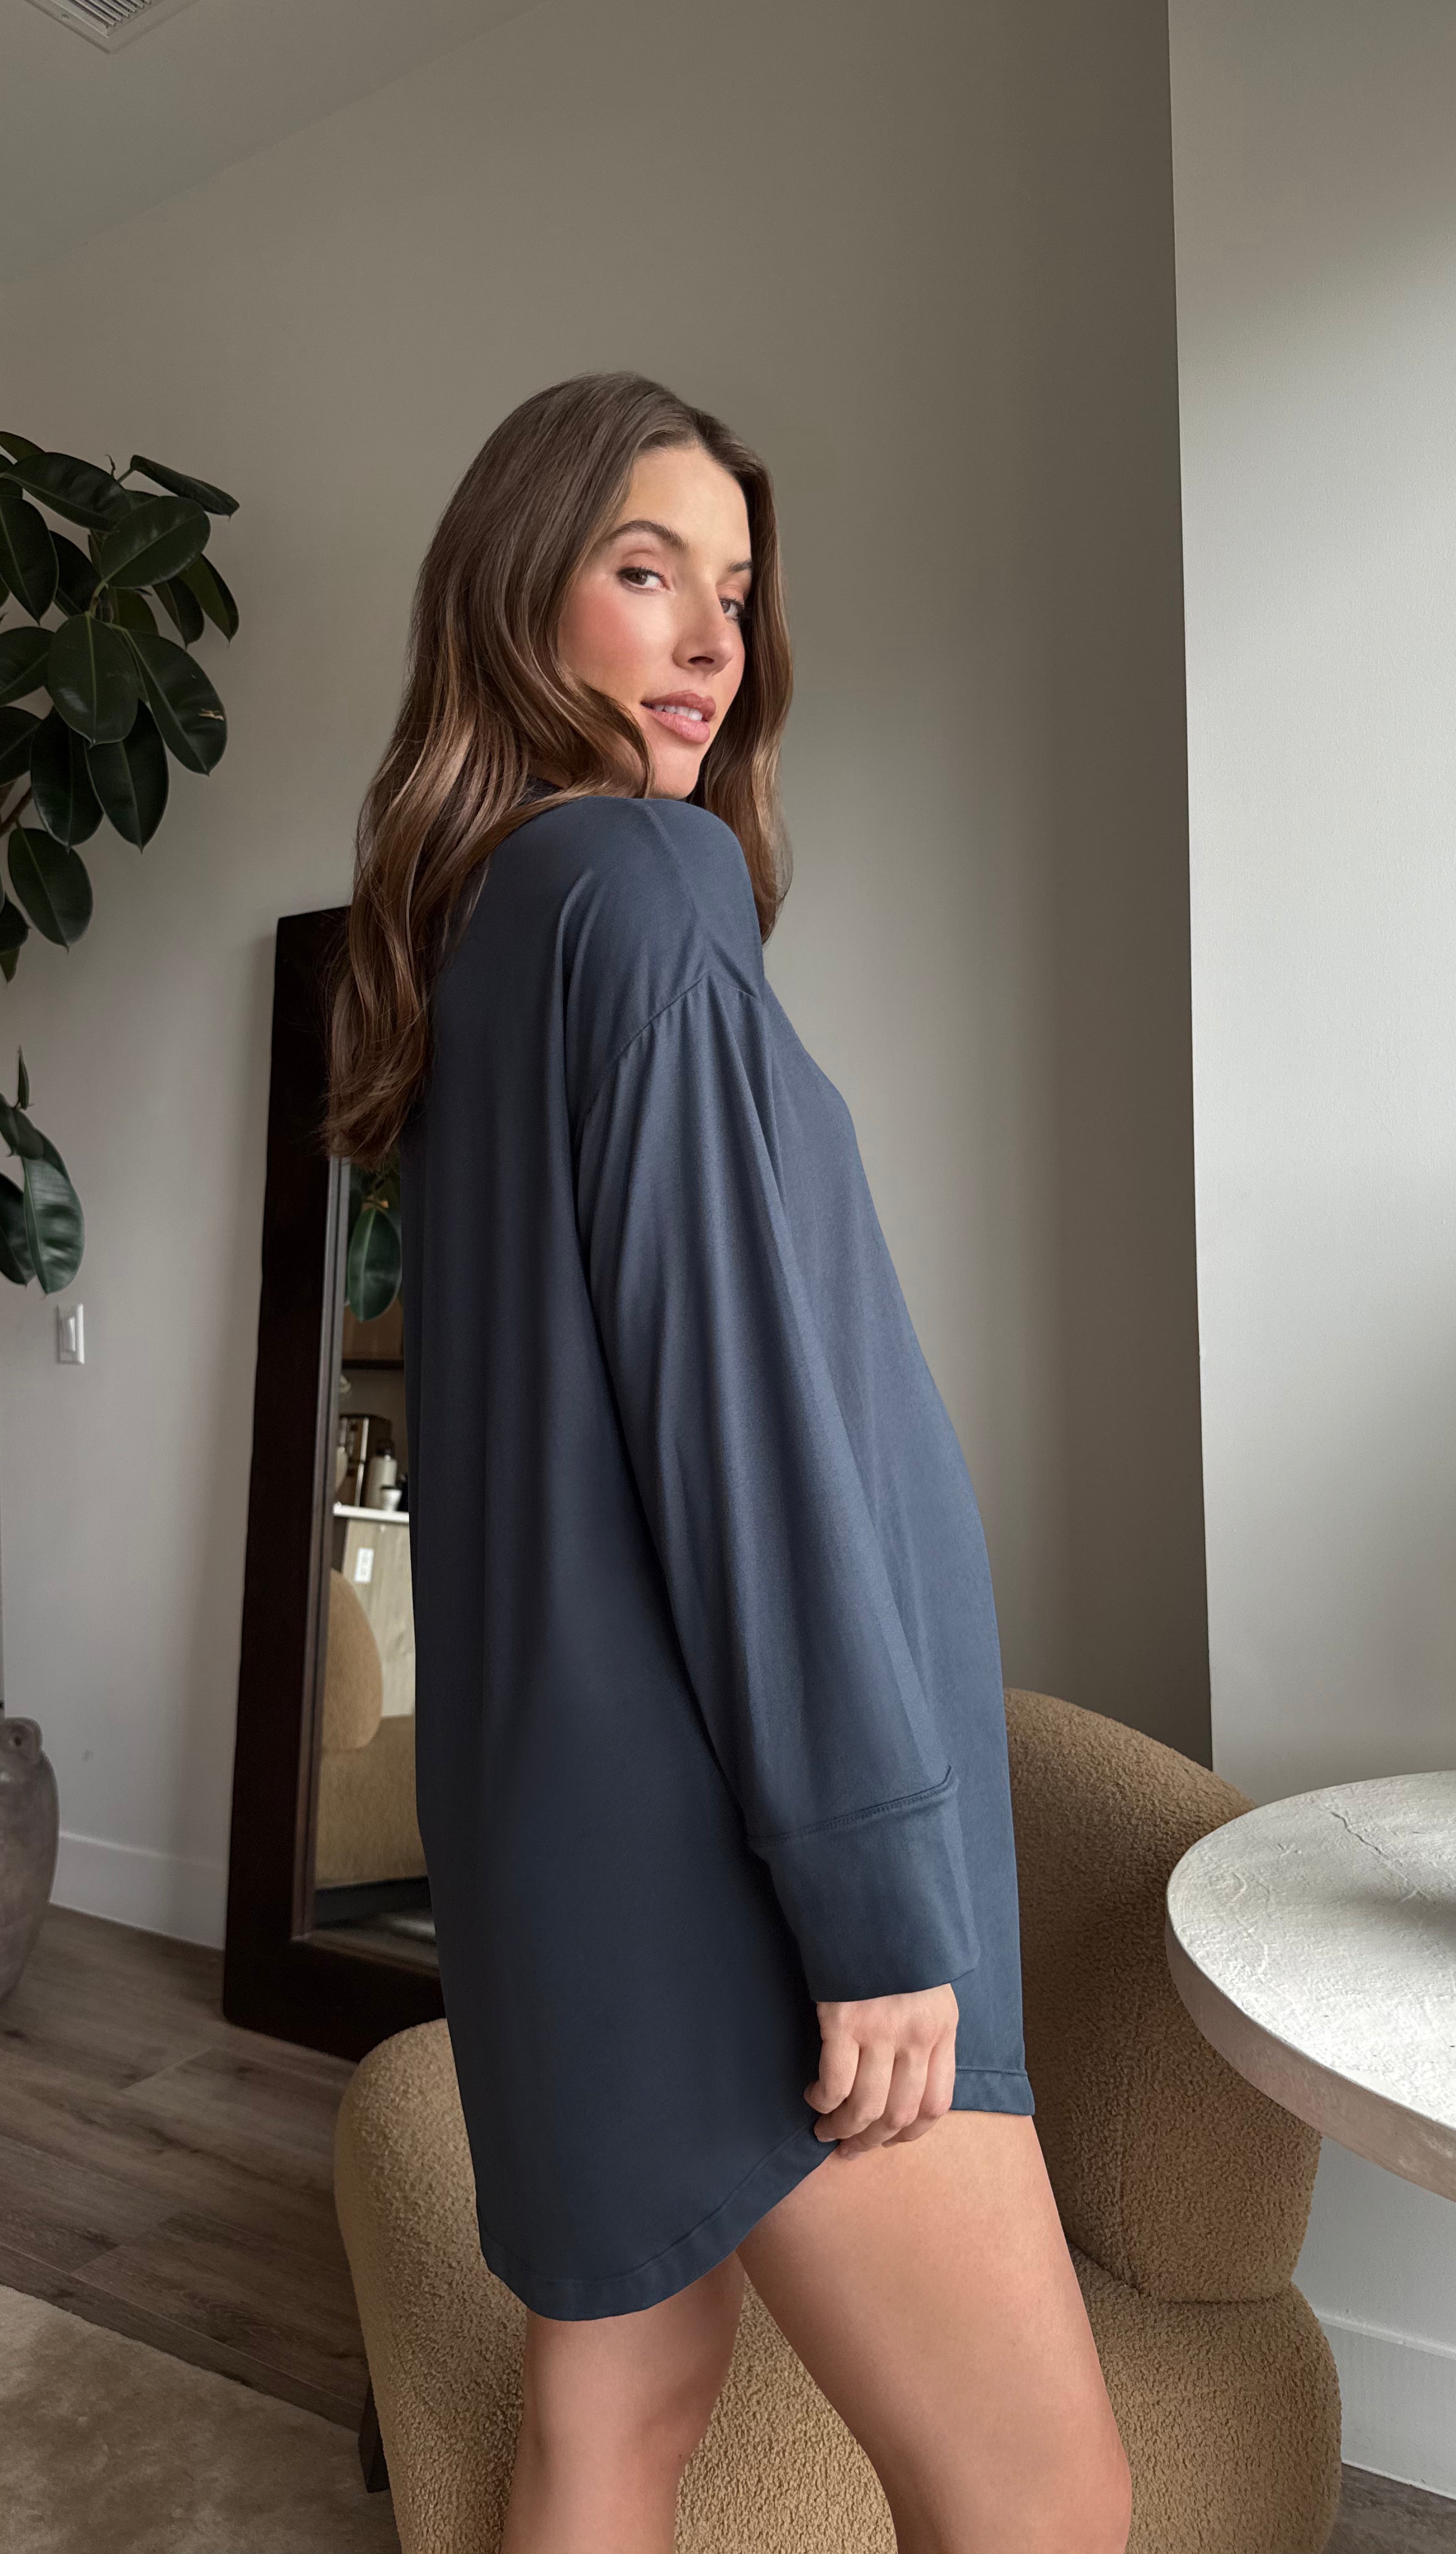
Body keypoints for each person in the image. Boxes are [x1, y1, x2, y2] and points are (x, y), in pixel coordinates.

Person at [322, 372, 1130, 2554]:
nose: (709, 643)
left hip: (559, 1864)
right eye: (645, 570)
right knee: (1049, 2499)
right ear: (521, 595)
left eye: (738, 595)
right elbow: (743, 1426)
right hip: (741, 1875)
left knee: (623, 2414)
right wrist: (874, 1899)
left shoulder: (480, 937)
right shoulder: (644, 883)